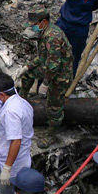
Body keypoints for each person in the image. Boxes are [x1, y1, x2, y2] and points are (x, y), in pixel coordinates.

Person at [21, 9, 74, 137]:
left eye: (34, 24)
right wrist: (27, 67)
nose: (32, 27)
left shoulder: (53, 37)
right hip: (49, 67)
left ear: (43, 22)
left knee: (53, 106)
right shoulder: (43, 33)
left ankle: (52, 135)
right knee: (28, 76)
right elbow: (43, 57)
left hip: (61, 75)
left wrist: (45, 83)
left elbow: (54, 66)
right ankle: (22, 100)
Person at [0, 75, 34, 194]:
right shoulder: (21, 102)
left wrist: (7, 169)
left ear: (2, 94)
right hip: (7, 158)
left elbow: (16, 141)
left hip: (14, 162)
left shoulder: (11, 112)